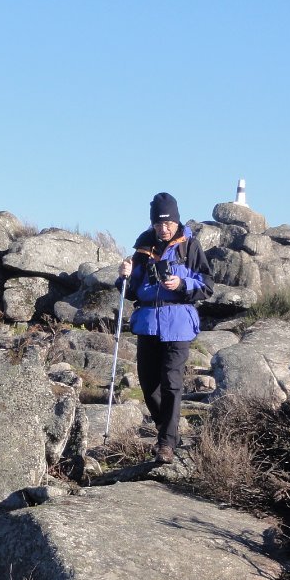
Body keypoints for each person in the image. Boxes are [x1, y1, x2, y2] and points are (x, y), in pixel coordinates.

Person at [117, 193, 213, 464]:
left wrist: (182, 284)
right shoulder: (143, 248)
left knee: (171, 382)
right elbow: (130, 291)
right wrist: (123, 276)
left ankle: (166, 444)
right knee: (149, 385)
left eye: (168, 223)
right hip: (148, 323)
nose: (164, 228)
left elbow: (207, 285)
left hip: (179, 324)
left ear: (176, 221)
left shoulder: (190, 247)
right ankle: (169, 432)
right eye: (159, 223)